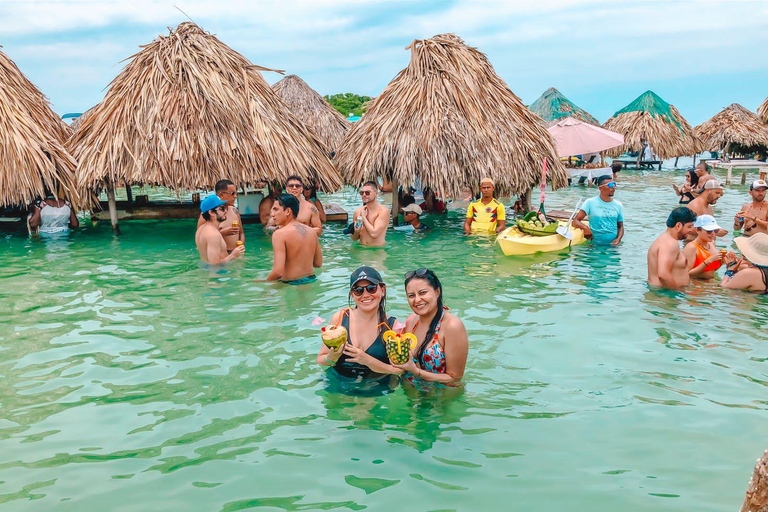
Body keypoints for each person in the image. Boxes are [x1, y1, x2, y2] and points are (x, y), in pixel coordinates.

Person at [317, 266, 403, 385]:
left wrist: (369, 361)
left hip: (375, 387)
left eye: (371, 288)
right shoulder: (340, 318)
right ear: (352, 294)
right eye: (358, 290)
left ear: (382, 290)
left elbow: (401, 370)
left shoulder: (392, 327)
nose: (365, 294)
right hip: (338, 383)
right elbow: (320, 360)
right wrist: (332, 357)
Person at [392, 268, 468, 386]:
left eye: (423, 293)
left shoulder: (452, 326)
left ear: (437, 292)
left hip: (440, 399)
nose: (417, 300)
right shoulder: (411, 321)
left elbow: (455, 377)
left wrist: (416, 371)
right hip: (411, 396)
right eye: (411, 295)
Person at [266, 194, 322, 285]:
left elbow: (278, 272)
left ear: (288, 211)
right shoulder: (312, 232)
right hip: (311, 281)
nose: (272, 214)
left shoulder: (279, 234)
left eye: (275, 209)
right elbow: (318, 263)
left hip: (290, 285)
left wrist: (263, 283)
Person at [647, 207, 697, 290]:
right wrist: (677, 294)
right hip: (665, 297)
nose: (691, 230)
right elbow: (663, 275)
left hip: (660, 294)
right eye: (689, 227)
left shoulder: (663, 240)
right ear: (678, 225)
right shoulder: (670, 243)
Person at [572, 175, 624, 246]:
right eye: (610, 185)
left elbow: (620, 227)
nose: (613, 187)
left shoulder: (618, 205)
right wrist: (585, 228)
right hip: (594, 245)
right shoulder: (590, 202)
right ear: (600, 188)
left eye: (614, 184)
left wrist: (618, 239)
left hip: (612, 246)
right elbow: (575, 221)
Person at [195, 195, 245, 265]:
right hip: (220, 274)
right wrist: (233, 255)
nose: (225, 211)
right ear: (211, 212)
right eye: (222, 208)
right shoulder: (213, 235)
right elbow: (214, 265)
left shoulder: (201, 229)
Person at [196, 179, 243, 251]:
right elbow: (200, 239)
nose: (235, 196)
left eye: (236, 193)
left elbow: (241, 234)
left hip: (236, 255)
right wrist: (222, 233)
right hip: (219, 256)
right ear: (221, 194)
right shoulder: (208, 214)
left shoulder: (235, 211)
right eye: (232, 193)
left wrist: (240, 248)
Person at [683, 215, 725, 280]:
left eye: (715, 231)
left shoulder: (712, 243)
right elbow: (686, 273)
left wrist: (722, 261)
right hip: (697, 284)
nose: (713, 234)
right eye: (709, 231)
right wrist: (708, 261)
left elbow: (711, 269)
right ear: (697, 230)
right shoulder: (691, 247)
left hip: (711, 282)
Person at [350, 181, 389, 247]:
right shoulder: (358, 211)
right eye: (362, 193)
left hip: (377, 251)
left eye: (367, 193)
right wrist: (356, 231)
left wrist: (364, 218)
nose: (364, 195)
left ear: (376, 193)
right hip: (361, 249)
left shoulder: (383, 211)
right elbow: (354, 238)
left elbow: (374, 234)